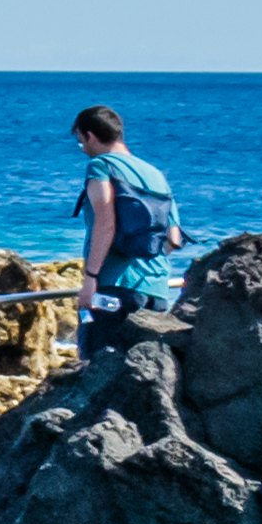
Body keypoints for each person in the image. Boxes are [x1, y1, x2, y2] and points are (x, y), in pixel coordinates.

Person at [70, 106, 186, 357]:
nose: (84, 149)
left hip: (114, 286)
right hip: (156, 289)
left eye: (81, 142)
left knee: (96, 369)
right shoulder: (155, 174)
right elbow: (174, 239)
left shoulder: (101, 166)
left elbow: (105, 222)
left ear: (89, 136)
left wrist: (91, 278)